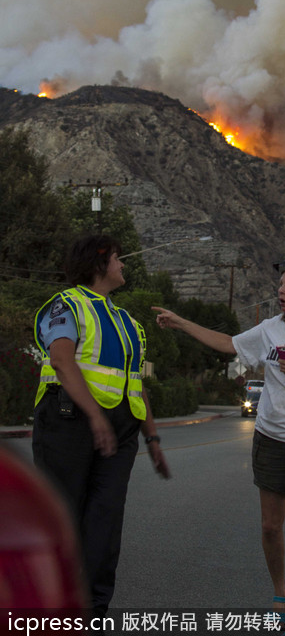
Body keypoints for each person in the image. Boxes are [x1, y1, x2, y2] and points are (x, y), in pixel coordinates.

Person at [153, 255, 285, 635]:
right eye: (280, 285)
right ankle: (280, 591)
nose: (280, 292)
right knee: (270, 526)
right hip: (271, 437)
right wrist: (181, 322)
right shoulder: (269, 330)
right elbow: (229, 344)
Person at [33, 234, 170, 615]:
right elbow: (62, 361)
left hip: (120, 431)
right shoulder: (67, 306)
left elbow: (135, 385)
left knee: (104, 523)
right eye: (117, 258)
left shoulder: (127, 322)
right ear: (98, 265)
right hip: (69, 422)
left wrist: (153, 438)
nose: (123, 264)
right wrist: (95, 416)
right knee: (62, 519)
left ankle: (91, 612)